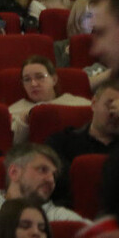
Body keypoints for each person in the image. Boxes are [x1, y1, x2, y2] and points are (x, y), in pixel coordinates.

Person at [44, 77, 119, 206]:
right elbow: (61, 182)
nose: (115, 113)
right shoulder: (61, 142)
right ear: (94, 103)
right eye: (110, 105)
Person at [9, 55, 91, 143]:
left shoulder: (79, 104)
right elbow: (11, 145)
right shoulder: (14, 110)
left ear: (54, 79)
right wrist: (23, 121)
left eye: (40, 77)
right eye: (27, 79)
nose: (33, 84)